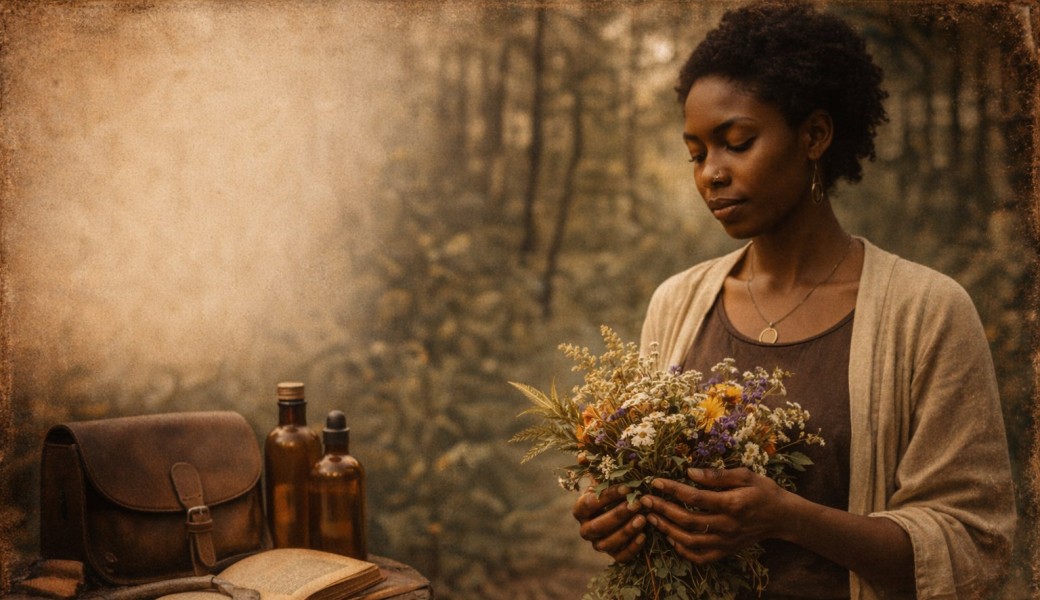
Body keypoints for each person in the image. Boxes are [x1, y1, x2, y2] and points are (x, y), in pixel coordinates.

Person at [571, 2, 1017, 599]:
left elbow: (969, 543)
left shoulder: (927, 311)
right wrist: (621, 514)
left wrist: (788, 518)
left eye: (737, 142)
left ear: (814, 135)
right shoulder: (677, 304)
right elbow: (657, 506)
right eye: (697, 153)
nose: (711, 174)